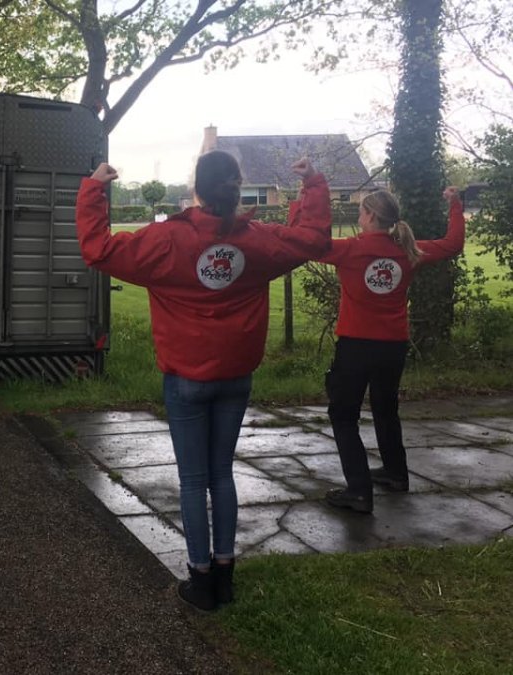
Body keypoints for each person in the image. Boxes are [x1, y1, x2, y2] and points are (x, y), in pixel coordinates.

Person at [75, 151, 332, 611]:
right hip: (236, 376)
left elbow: (99, 250)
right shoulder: (257, 240)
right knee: (222, 474)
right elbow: (313, 241)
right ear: (237, 187)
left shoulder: (167, 239)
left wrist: (94, 189)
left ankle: (201, 580)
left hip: (186, 379)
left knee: (194, 480)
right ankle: (225, 576)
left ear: (196, 188)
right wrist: (312, 184)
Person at [316, 187, 465, 514]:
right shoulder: (409, 250)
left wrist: (303, 202)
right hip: (393, 346)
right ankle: (396, 474)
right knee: (385, 409)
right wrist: (455, 204)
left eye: (361, 212)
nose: (359, 217)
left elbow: (306, 244)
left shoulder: (350, 249)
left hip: (356, 346)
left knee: (343, 416)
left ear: (370, 215)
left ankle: (359, 492)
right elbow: (453, 244)